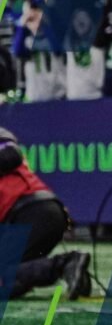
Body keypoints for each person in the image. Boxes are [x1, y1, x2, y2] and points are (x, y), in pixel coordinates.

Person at [0, 127, 91, 301]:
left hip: (33, 212)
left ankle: (63, 264)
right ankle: (69, 269)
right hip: (30, 216)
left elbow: (11, 154)